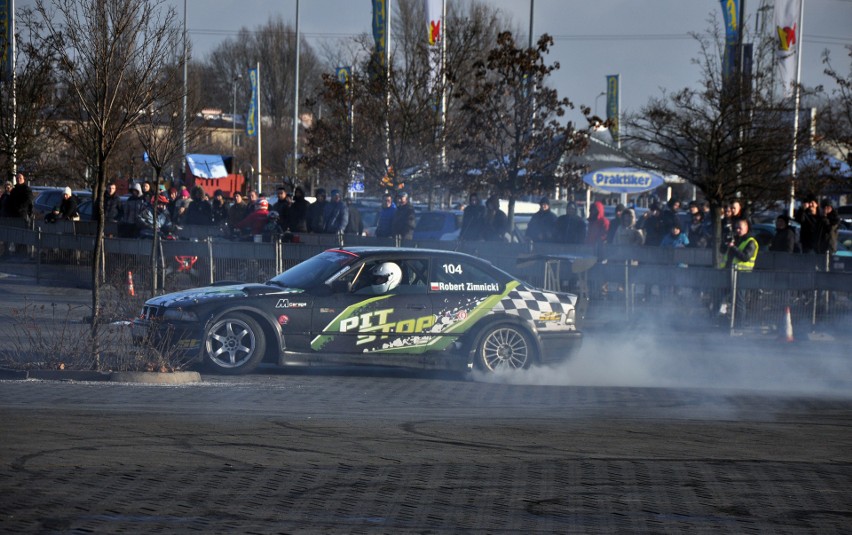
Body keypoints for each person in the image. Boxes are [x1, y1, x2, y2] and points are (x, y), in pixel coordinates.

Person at [719, 218, 759, 325]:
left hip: (742, 274)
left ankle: (739, 325)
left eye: (740, 228)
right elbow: (722, 251)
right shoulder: (735, 239)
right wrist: (725, 242)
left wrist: (733, 247)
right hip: (729, 272)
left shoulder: (751, 242)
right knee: (721, 297)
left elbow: (745, 257)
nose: (737, 230)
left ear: (747, 228)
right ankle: (724, 320)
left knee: (739, 301)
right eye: (736, 228)